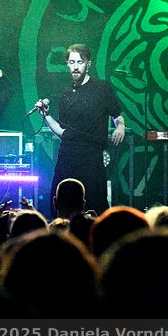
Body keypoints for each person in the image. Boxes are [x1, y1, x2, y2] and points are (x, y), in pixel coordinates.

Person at [34, 43, 124, 216]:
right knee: (62, 205)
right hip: (67, 157)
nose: (75, 67)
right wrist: (46, 116)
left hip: (91, 157)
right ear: (67, 64)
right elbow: (62, 131)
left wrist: (119, 127)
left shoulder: (101, 88)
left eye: (79, 62)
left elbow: (117, 115)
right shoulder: (66, 93)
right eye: (72, 62)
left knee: (94, 204)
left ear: (88, 64)